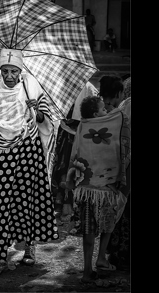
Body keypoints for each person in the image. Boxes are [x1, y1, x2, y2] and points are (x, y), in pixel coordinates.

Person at [0, 48, 60, 277]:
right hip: (0, 151)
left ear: (20, 71)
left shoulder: (31, 86)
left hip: (28, 150)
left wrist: (34, 110)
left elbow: (44, 121)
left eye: (13, 71)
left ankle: (29, 248)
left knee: (27, 198)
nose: (9, 75)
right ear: (0, 70)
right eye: (5, 70)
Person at [66, 77, 131, 283]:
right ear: (119, 94)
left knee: (88, 229)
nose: (106, 110)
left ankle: (87, 269)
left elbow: (75, 155)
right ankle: (101, 257)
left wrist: (71, 183)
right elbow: (125, 148)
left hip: (86, 187)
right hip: (108, 185)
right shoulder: (119, 118)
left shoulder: (83, 125)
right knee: (108, 223)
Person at [50, 82, 98, 222]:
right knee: (62, 167)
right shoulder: (62, 85)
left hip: (79, 133)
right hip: (65, 132)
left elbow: (91, 114)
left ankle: (73, 207)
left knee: (76, 169)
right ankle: (61, 204)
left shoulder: (89, 88)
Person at [106, 76, 131, 270]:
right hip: (126, 164)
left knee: (122, 208)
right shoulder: (124, 108)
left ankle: (118, 252)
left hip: (124, 164)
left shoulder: (124, 108)